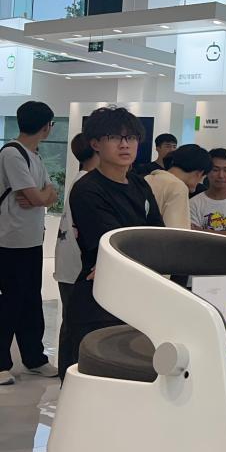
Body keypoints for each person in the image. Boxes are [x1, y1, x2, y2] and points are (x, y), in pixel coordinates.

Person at [62, 107, 164, 378]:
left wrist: (137, 253)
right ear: (95, 143)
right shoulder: (87, 189)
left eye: (131, 137)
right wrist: (137, 253)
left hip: (137, 294)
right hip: (99, 299)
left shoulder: (139, 184)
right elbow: (113, 243)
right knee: (93, 379)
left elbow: (159, 236)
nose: (124, 144)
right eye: (114, 137)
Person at [0, 101, 59, 385]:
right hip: (9, 241)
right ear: (47, 126)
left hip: (32, 241)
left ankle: (34, 358)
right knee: (9, 302)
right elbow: (37, 197)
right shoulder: (12, 153)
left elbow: (50, 193)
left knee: (30, 301)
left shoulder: (34, 155)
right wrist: (41, 196)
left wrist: (41, 196)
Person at [54, 133, 100, 379]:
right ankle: (70, 378)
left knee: (71, 324)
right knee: (75, 326)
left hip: (70, 266)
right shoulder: (87, 185)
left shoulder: (80, 180)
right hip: (77, 268)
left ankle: (68, 377)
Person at [146, 144, 212, 229]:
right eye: (203, 177)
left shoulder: (147, 178)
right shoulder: (178, 188)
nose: (199, 182)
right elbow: (176, 232)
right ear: (199, 173)